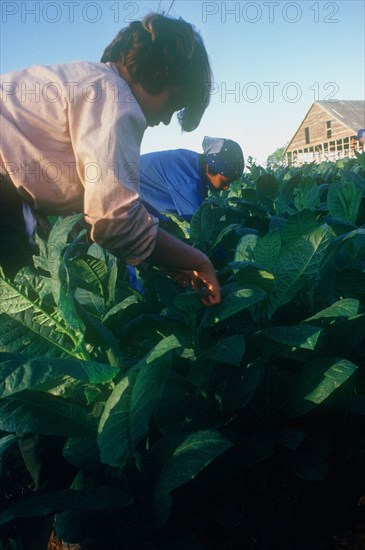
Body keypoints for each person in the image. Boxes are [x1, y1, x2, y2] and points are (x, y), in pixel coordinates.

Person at [0, 13, 220, 548]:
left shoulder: (82, 84)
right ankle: (53, 503)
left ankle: (46, 489)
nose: (168, 119)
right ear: (160, 75)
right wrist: (194, 258)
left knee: (25, 339)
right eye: (174, 102)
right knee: (24, 355)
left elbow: (49, 185)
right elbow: (115, 220)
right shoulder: (113, 96)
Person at [138, 136, 244, 221]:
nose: (226, 187)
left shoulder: (194, 162)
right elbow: (197, 226)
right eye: (225, 181)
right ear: (209, 168)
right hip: (126, 193)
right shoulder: (186, 181)